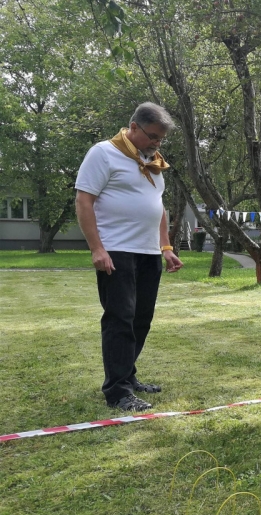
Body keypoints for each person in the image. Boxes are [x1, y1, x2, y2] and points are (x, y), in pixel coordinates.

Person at [75, 102, 183, 411]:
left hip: (148, 252)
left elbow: (157, 206)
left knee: (141, 319)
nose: (156, 144)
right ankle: (117, 391)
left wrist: (165, 247)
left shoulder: (153, 163)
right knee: (119, 319)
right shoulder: (102, 153)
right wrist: (97, 248)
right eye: (152, 136)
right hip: (116, 250)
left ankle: (128, 375)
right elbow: (84, 201)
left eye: (161, 139)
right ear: (133, 127)